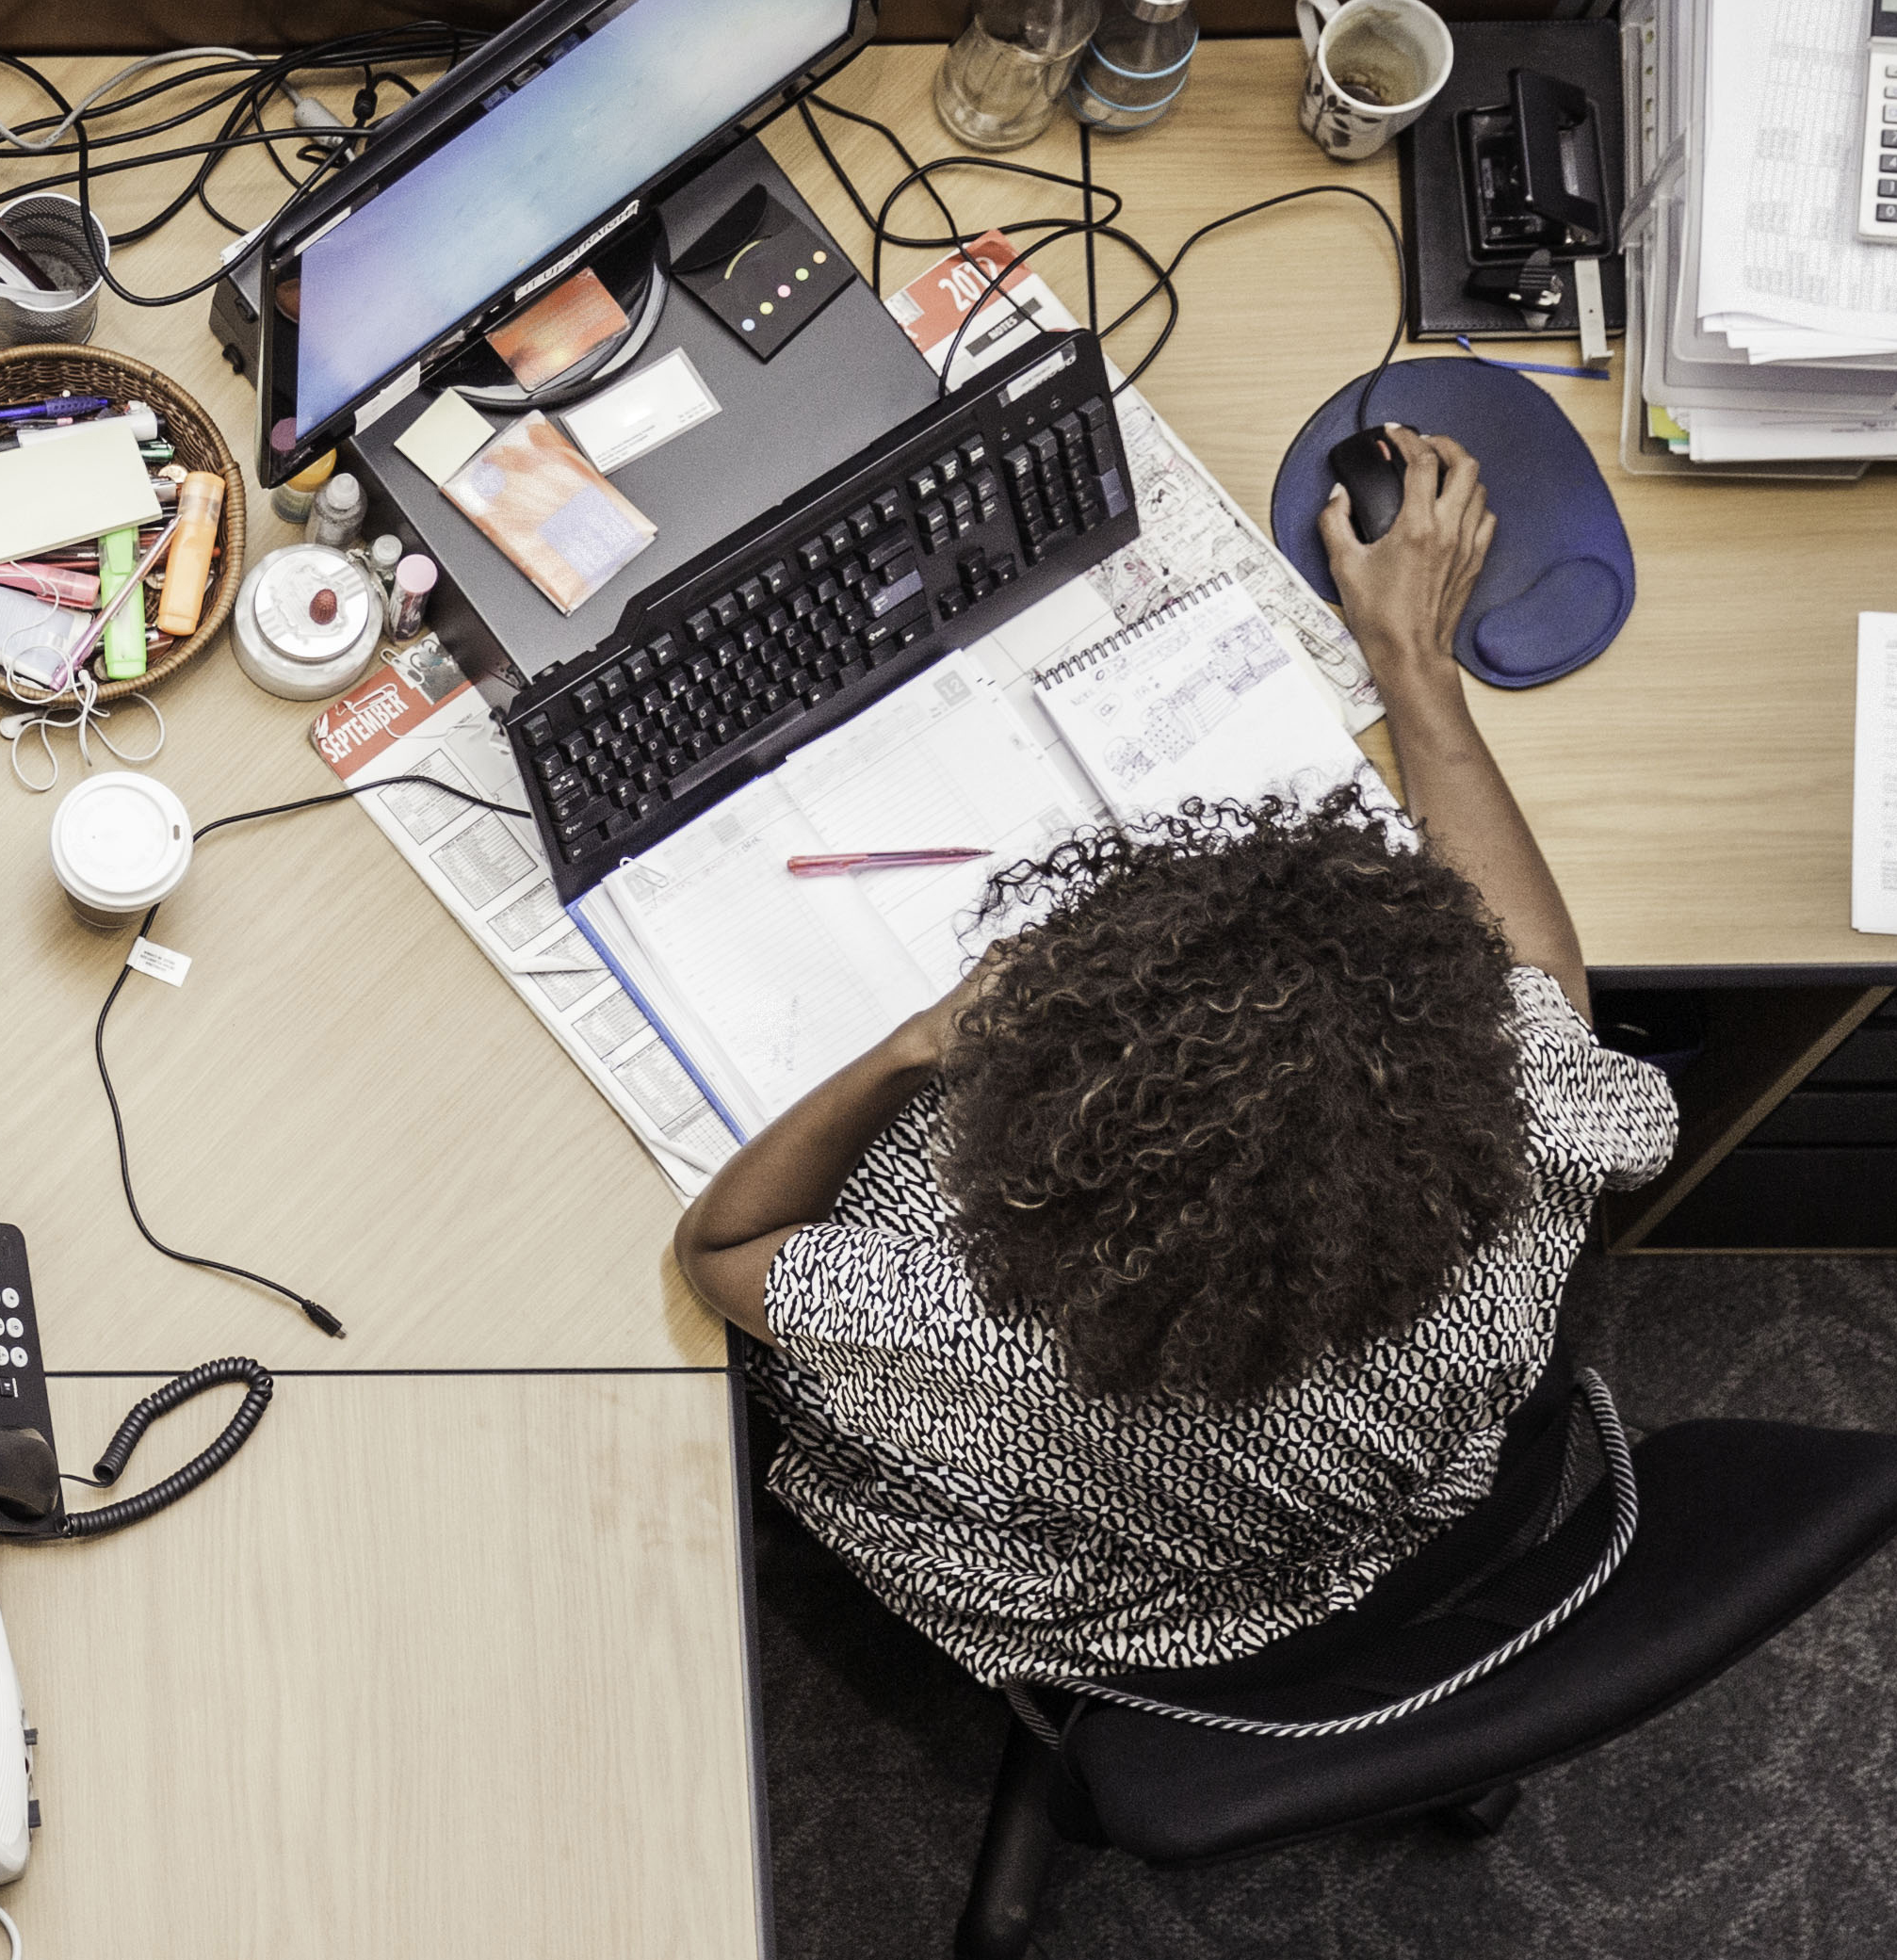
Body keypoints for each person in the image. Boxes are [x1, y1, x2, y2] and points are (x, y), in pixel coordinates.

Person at [668, 426, 1681, 1690]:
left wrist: (917, 1045)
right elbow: (1538, 988)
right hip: (1431, 1491)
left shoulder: (987, 1334)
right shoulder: (1513, 1109)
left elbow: (720, 1255)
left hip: (1156, 1619)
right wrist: (1415, 664)